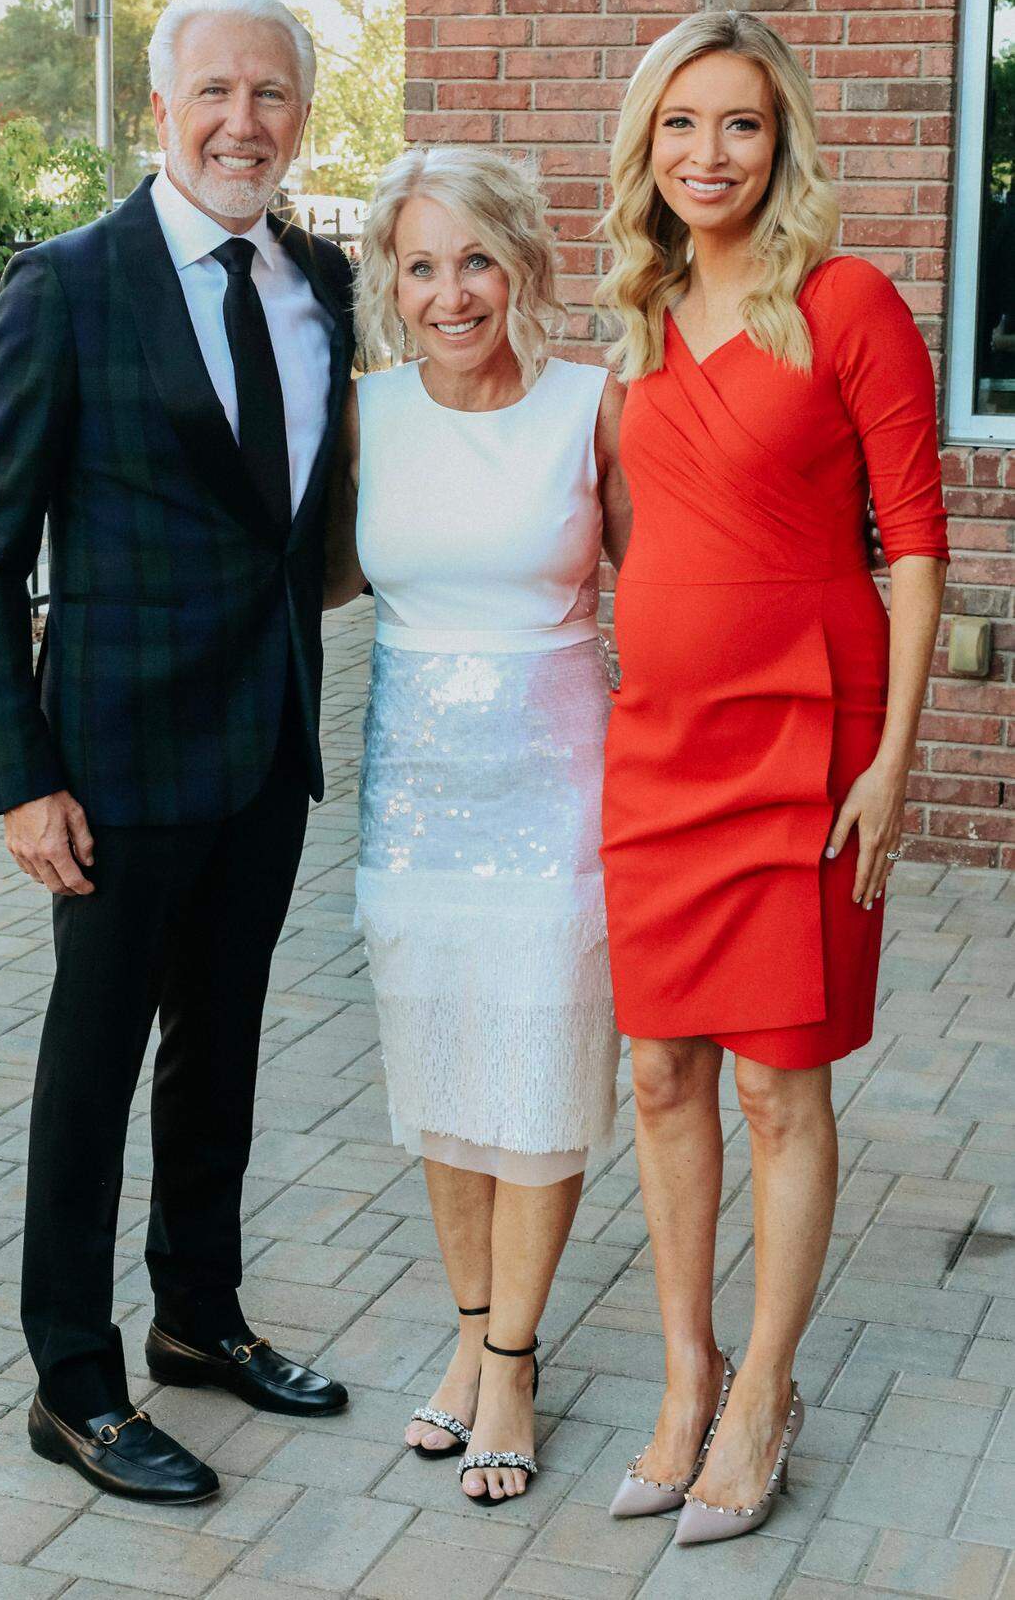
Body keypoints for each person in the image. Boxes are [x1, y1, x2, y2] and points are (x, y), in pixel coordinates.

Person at [0, 0, 354, 1504]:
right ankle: (73, 1378)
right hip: (110, 771)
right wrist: (20, 776)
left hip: (265, 759)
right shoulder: (67, 286)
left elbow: (296, 528)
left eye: (274, 96)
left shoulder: (320, 282)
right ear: (160, 110)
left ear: (300, 117)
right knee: (91, 1070)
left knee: (224, 1053)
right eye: (218, 92)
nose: (245, 120)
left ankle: (198, 1315)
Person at [598, 10, 948, 1546]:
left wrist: (892, 763)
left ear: (783, 137)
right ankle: (688, 1377)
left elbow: (921, 551)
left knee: (773, 1079)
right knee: (663, 1068)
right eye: (680, 126)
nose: (708, 156)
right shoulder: (639, 305)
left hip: (812, 742)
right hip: (662, 743)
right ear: (644, 147)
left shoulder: (849, 300)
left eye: (739, 124)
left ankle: (766, 1396)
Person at [325, 147, 631, 1504]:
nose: (452, 293)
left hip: (559, 794)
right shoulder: (365, 415)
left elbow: (665, 584)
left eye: (477, 260)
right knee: (446, 1074)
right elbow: (307, 572)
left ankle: (514, 1356)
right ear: (393, 282)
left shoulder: (589, 405)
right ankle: (465, 1339)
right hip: (415, 802)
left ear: (523, 264)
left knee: (544, 1076)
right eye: (423, 264)